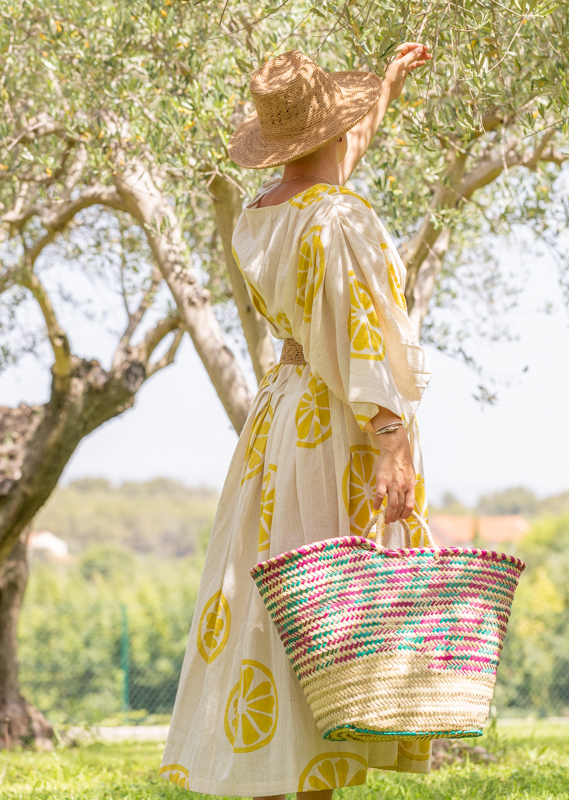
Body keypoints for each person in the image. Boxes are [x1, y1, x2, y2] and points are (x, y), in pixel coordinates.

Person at [159, 43, 434, 800]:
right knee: (326, 615)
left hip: (280, 423)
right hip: (336, 426)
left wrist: (386, 86)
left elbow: (331, 167)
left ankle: (275, 776)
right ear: (333, 128)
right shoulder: (340, 220)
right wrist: (392, 443)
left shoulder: (262, 215)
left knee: (281, 610)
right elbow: (362, 338)